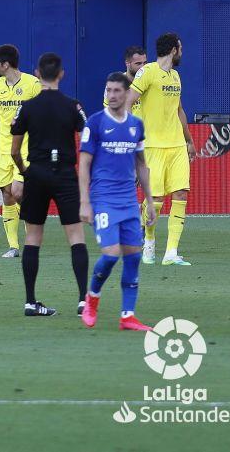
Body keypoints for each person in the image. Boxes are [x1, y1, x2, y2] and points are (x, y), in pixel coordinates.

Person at [10, 53, 89, 317]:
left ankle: (30, 302)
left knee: (32, 238)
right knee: (76, 237)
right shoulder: (73, 106)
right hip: (65, 173)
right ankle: (83, 301)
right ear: (61, 74)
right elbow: (87, 141)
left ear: (37, 73)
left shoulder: (27, 107)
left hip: (37, 172)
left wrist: (25, 172)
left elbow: (14, 151)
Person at [79, 72, 156, 331]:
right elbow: (84, 164)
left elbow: (141, 165)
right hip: (103, 199)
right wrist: (84, 201)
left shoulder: (136, 125)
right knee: (111, 255)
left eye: (116, 91)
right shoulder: (95, 123)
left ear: (126, 94)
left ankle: (128, 316)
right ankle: (92, 298)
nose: (111, 95)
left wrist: (149, 201)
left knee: (133, 257)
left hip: (128, 201)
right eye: (108, 90)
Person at [127, 32, 195, 266]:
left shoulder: (175, 76)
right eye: (180, 48)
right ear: (174, 50)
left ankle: (171, 252)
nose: (182, 52)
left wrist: (189, 140)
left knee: (181, 193)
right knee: (155, 200)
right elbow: (128, 101)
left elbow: (179, 110)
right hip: (153, 146)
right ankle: (149, 240)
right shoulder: (148, 72)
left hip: (176, 145)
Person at [0, 44, 42, 258]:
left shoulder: (32, 84)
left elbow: (42, 114)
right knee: (7, 195)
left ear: (6, 64)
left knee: (19, 192)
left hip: (26, 147)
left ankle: (31, 241)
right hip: (3, 147)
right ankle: (13, 246)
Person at [103, 46, 146, 117]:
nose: (143, 67)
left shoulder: (149, 80)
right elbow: (109, 111)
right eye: (138, 63)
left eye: (144, 63)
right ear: (127, 63)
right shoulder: (116, 83)